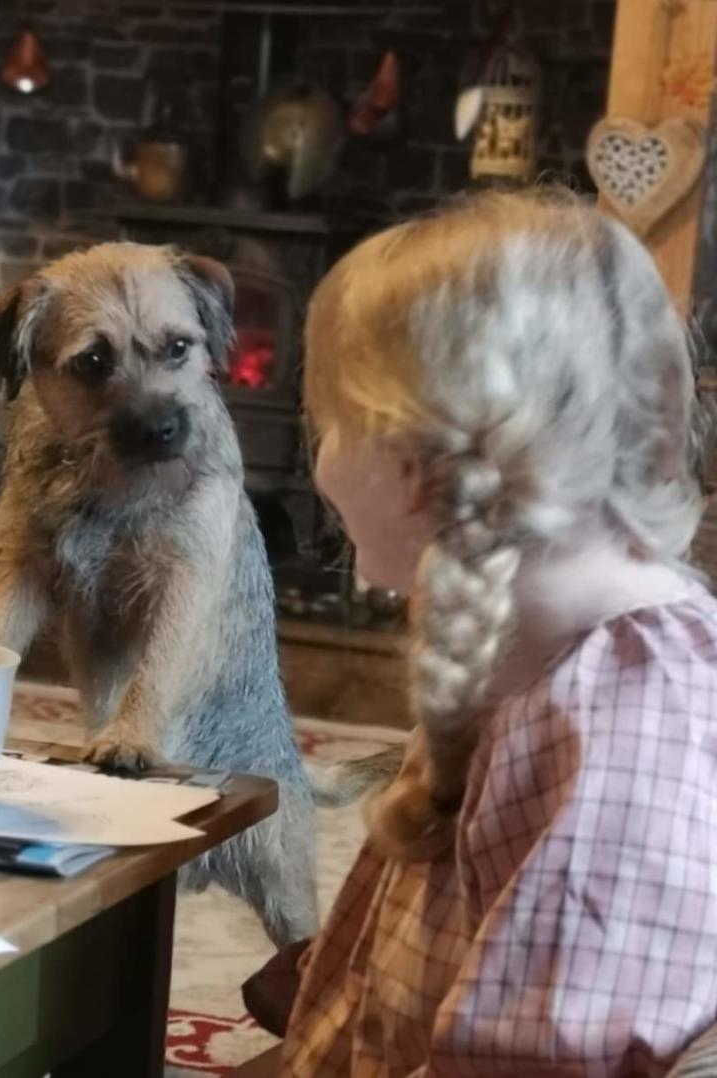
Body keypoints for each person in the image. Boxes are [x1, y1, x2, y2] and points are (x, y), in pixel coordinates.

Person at [267, 191, 717, 1076]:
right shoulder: (544, 657)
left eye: (332, 425)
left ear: (420, 464)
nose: (320, 459)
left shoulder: (621, 733)